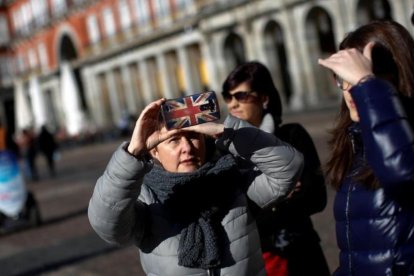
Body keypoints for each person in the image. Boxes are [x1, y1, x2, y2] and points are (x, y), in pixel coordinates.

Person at [88, 97, 304, 275]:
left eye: (193, 137)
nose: (187, 148)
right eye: (174, 140)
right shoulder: (145, 197)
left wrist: (228, 132)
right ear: (154, 151)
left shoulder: (233, 180)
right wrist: (132, 153)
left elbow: (289, 167)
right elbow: (107, 224)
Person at [318, 20, 414, 275]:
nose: (350, 89)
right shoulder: (354, 142)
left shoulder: (405, 138)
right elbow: (353, 252)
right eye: (343, 78)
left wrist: (367, 85)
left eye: (358, 75)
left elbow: (402, 174)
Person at [221, 61, 330, 276]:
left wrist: (257, 203)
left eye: (241, 96)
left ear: (264, 98)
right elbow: (231, 212)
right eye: (228, 96)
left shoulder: (292, 136)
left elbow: (316, 197)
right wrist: (282, 194)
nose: (233, 104)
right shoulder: (226, 150)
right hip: (256, 259)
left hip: (302, 254)